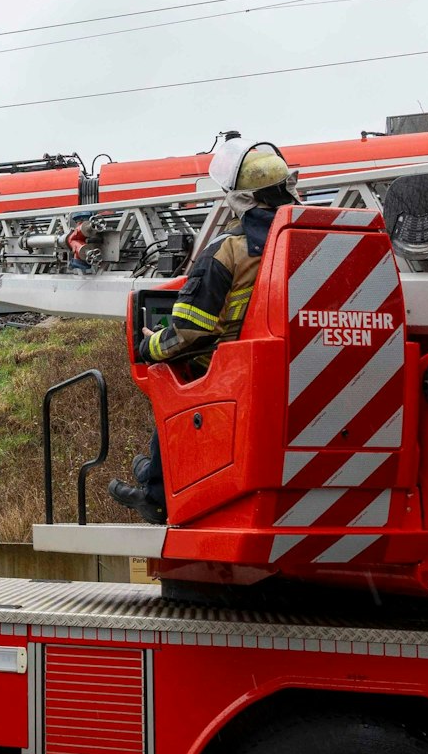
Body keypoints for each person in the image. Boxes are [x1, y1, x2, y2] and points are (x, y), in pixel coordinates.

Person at [110, 138, 300, 525]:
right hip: (304, 363)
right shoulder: (313, 237)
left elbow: (190, 332)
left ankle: (156, 493)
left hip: (238, 373)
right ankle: (151, 474)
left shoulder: (227, 251)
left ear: (240, 199)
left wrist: (150, 347)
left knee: (169, 372)